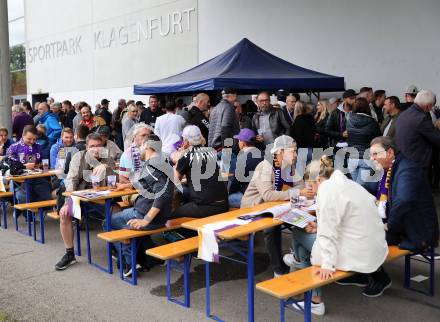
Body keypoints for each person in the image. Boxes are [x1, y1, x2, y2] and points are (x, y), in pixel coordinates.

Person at [307, 156, 389, 311]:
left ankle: (312, 299)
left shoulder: (326, 189)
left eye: (311, 185)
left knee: (302, 237)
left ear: (318, 180)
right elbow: (347, 221)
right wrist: (319, 226)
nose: (312, 190)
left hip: (362, 254)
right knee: (317, 236)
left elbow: (328, 232)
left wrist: (327, 264)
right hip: (377, 246)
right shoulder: (348, 183)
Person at [241, 135, 313, 276]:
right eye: (293, 151)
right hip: (253, 208)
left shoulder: (288, 165)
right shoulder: (265, 166)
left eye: (296, 151)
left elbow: (300, 185)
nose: (296, 154)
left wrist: (305, 191)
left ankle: (299, 259)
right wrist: (298, 193)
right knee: (271, 229)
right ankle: (278, 269)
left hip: (273, 206)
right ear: (280, 152)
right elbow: (268, 195)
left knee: (305, 219)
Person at [111, 134, 174, 276]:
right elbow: (152, 186)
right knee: (130, 225)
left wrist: (145, 220)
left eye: (140, 145)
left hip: (147, 216)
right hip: (160, 216)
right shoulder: (161, 161)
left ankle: (129, 262)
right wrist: (127, 185)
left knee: (109, 222)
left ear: (147, 146)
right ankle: (150, 258)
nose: (138, 149)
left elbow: (162, 194)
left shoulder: (153, 164)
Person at [55, 133, 116, 270]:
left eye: (99, 146)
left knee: (117, 213)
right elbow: (71, 181)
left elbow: (116, 180)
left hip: (102, 199)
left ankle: (117, 248)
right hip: (78, 197)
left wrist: (106, 167)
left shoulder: (108, 158)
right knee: (65, 214)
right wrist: (67, 203)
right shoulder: (79, 157)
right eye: (92, 146)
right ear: (86, 147)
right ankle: (69, 254)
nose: (96, 149)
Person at [370, 136, 439, 251]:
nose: (372, 158)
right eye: (371, 155)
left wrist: (389, 225)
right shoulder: (387, 168)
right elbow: (369, 189)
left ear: (390, 153)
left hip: (416, 232)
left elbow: (403, 201)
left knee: (363, 236)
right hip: (402, 226)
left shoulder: (408, 169)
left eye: (375, 154)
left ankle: (370, 268)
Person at [170, 125, 229, 218]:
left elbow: (174, 181)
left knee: (173, 215)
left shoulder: (186, 156)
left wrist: (177, 160)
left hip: (207, 207)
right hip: (223, 204)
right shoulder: (210, 152)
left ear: (185, 141)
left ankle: (178, 232)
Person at [395, 89, 440, 171]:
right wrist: (437, 127)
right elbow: (437, 139)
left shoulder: (404, 113)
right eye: (432, 106)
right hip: (418, 162)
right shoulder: (421, 118)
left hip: (403, 158)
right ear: (428, 106)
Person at [6, 125, 52, 205]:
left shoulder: (38, 146)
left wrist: (41, 165)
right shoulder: (13, 147)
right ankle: (26, 213)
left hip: (36, 178)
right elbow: (9, 163)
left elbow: (45, 163)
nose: (32, 141)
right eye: (29, 139)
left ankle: (32, 210)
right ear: (23, 136)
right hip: (19, 181)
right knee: (23, 197)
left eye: (34, 139)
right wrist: (23, 165)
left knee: (47, 194)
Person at [346, 97, 381, 193]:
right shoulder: (372, 122)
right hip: (367, 158)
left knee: (355, 189)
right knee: (362, 191)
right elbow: (378, 140)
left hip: (352, 158)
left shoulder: (349, 120)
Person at [228, 129, 263, 208]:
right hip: (264, 194)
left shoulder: (242, 158)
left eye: (239, 140)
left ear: (243, 143)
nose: (238, 142)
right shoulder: (263, 154)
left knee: (223, 200)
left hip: (249, 197)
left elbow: (234, 184)